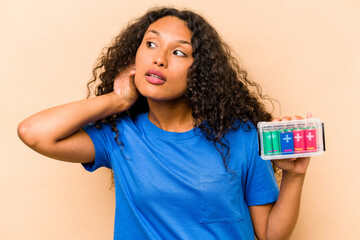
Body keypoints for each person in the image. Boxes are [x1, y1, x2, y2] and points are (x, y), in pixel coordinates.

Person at [17, 7, 311, 240]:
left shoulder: (242, 136)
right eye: (151, 44)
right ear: (134, 57)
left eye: (179, 52)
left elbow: (270, 234)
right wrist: (117, 100)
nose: (159, 59)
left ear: (201, 72)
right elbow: (34, 133)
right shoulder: (120, 136)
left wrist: (294, 176)